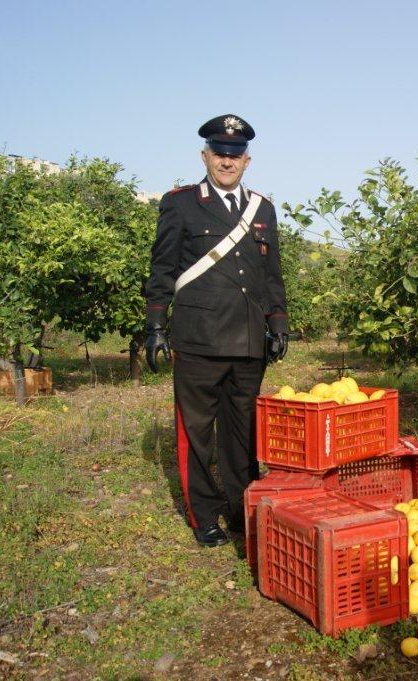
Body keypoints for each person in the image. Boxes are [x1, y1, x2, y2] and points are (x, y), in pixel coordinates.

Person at [143, 114, 289, 547]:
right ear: (205, 155)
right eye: (219, 153)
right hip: (199, 337)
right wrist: (156, 325)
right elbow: (163, 268)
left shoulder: (262, 208)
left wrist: (277, 323)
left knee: (243, 431)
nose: (227, 161)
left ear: (247, 160)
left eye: (235, 154)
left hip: (247, 340)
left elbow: (271, 273)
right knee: (196, 432)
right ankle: (204, 515)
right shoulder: (181, 203)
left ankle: (242, 509)